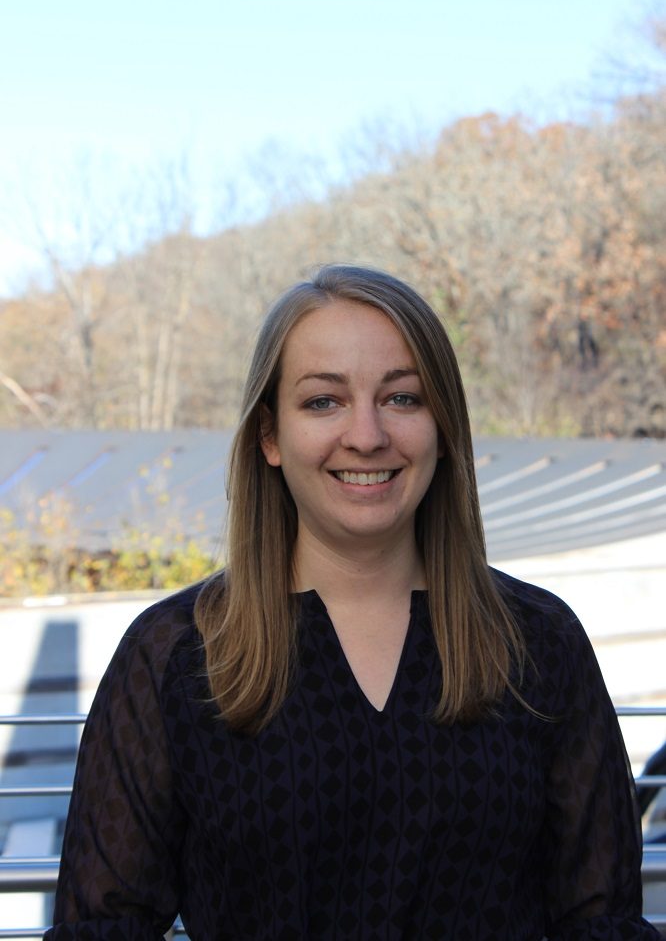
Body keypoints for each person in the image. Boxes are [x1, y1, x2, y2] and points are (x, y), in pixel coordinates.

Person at [45, 265, 660, 940]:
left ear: (444, 426)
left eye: (402, 398)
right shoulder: (176, 654)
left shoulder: (540, 644)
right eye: (322, 402)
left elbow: (601, 923)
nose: (366, 435)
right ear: (269, 436)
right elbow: (103, 929)